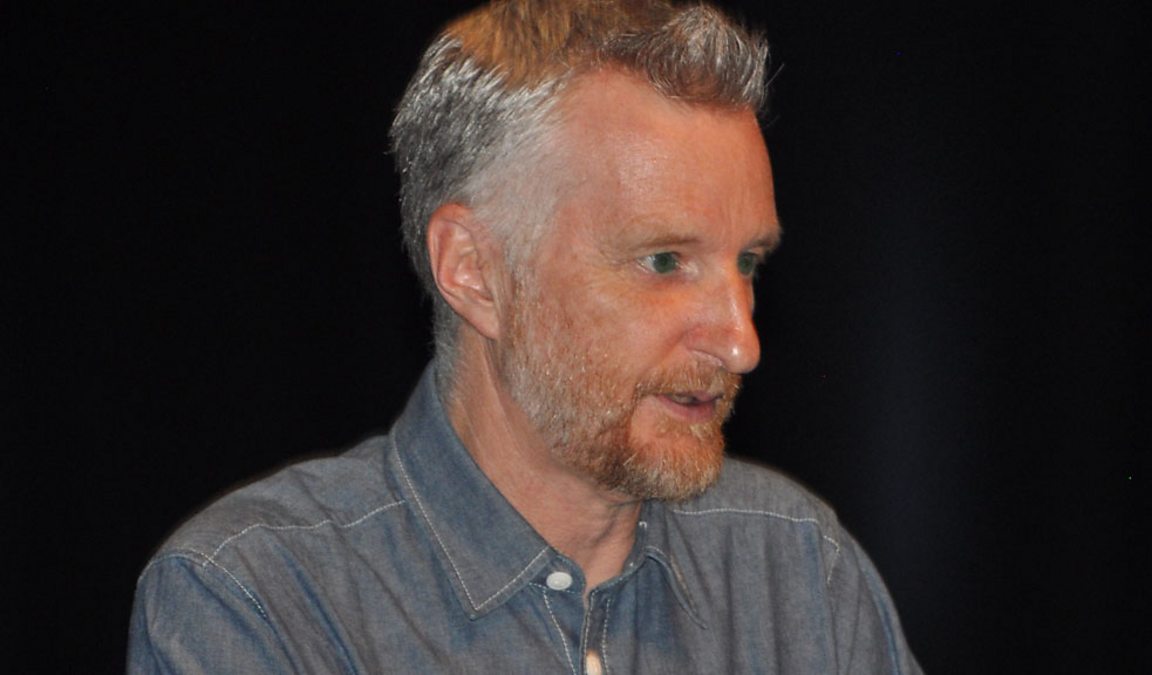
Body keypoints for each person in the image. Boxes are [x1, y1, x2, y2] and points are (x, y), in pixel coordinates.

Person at [128, 1, 922, 672]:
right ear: (475, 271)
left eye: (747, 262)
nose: (742, 343)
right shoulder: (262, 597)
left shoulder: (798, 571)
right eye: (664, 261)